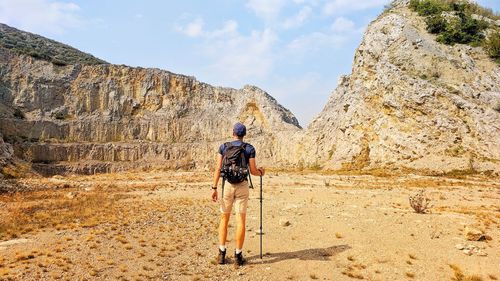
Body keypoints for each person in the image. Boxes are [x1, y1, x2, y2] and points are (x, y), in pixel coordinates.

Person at [211, 122, 265, 266]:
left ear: (233, 133)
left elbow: (217, 168)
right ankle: (238, 255)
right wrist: (261, 172)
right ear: (244, 134)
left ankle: (222, 254)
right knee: (240, 221)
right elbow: (253, 171)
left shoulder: (223, 147)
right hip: (242, 186)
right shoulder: (249, 148)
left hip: (227, 186)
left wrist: (214, 187)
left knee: (224, 219)